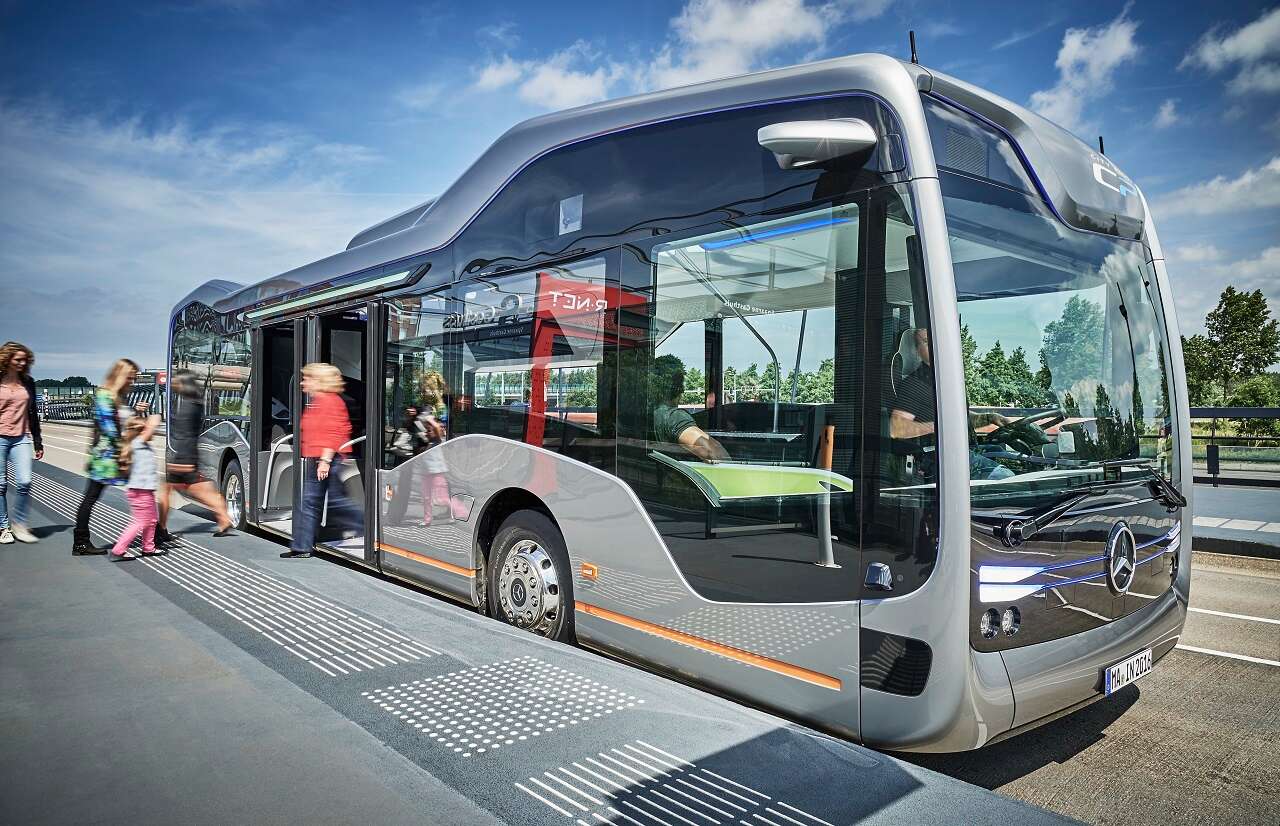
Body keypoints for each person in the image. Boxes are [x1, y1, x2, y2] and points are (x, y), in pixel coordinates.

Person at [888, 328, 1013, 480]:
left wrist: (989, 418)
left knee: (1002, 453)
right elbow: (897, 428)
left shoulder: (940, 380)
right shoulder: (915, 384)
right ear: (915, 351)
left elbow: (956, 419)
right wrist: (941, 426)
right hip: (937, 459)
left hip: (960, 450)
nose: (935, 346)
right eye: (927, 342)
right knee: (1005, 476)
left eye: (938, 341)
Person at [283, 363, 363, 559]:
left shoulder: (330, 401)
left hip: (325, 459)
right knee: (318, 502)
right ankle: (301, 546)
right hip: (316, 457)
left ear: (319, 380)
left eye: (307, 378)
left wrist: (325, 460)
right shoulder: (319, 401)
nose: (302, 382)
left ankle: (367, 526)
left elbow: (334, 432)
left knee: (328, 502)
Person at [157, 369, 234, 541]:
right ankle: (223, 517)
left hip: (183, 456)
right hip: (190, 454)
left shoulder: (187, 406)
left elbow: (184, 435)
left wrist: (180, 461)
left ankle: (161, 529)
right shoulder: (196, 403)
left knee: (171, 491)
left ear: (184, 383)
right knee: (195, 489)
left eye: (176, 380)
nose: (173, 383)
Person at [73, 358, 139, 555]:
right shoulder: (104, 395)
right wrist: (123, 451)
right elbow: (109, 428)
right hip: (106, 458)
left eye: (134, 379)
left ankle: (153, 530)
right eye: (129, 378)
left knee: (142, 491)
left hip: (113, 457)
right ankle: (81, 542)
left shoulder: (117, 397)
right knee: (91, 497)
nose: (132, 382)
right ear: (120, 375)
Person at [0, 342, 45, 544]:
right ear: (7, 359)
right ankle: (4, 527)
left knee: (25, 482)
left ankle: (20, 524)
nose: (22, 362)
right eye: (18, 359)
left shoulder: (28, 382)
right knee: (0, 485)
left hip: (21, 437)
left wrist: (38, 441)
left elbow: (33, 415)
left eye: (24, 359)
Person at [650, 355, 728, 463]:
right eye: (680, 384)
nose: (682, 390)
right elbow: (713, 451)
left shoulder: (648, 413)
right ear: (676, 388)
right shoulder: (674, 417)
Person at [109, 415, 167, 560]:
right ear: (141, 432)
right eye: (148, 430)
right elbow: (152, 425)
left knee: (152, 520)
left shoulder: (142, 444)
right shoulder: (137, 443)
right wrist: (155, 419)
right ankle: (119, 549)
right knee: (140, 521)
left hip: (145, 491)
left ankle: (148, 548)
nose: (153, 432)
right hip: (140, 491)